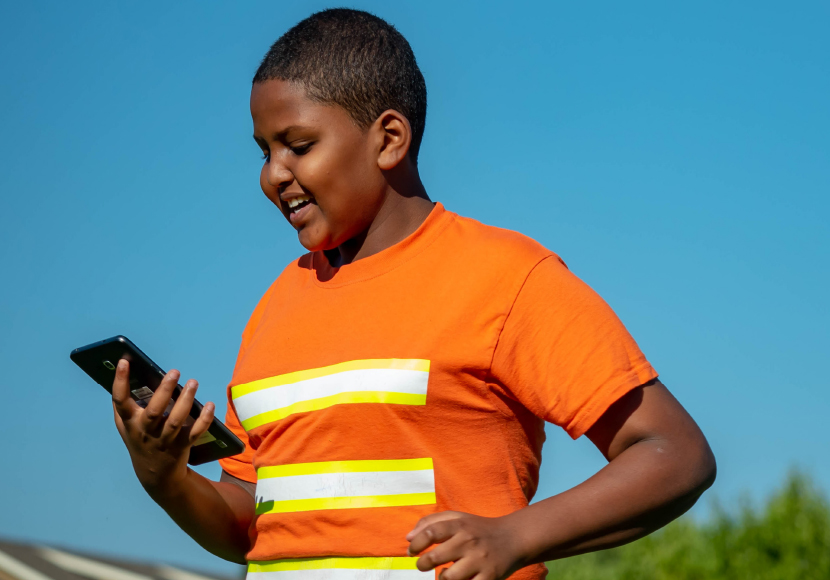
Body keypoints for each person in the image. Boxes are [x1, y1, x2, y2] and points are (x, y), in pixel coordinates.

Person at [111, 8, 716, 580]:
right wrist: (164, 477)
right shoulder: (273, 309)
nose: (273, 173)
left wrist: (514, 537)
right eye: (263, 151)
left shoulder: (505, 277)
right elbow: (250, 519)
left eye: (297, 145)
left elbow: (675, 452)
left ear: (389, 139)